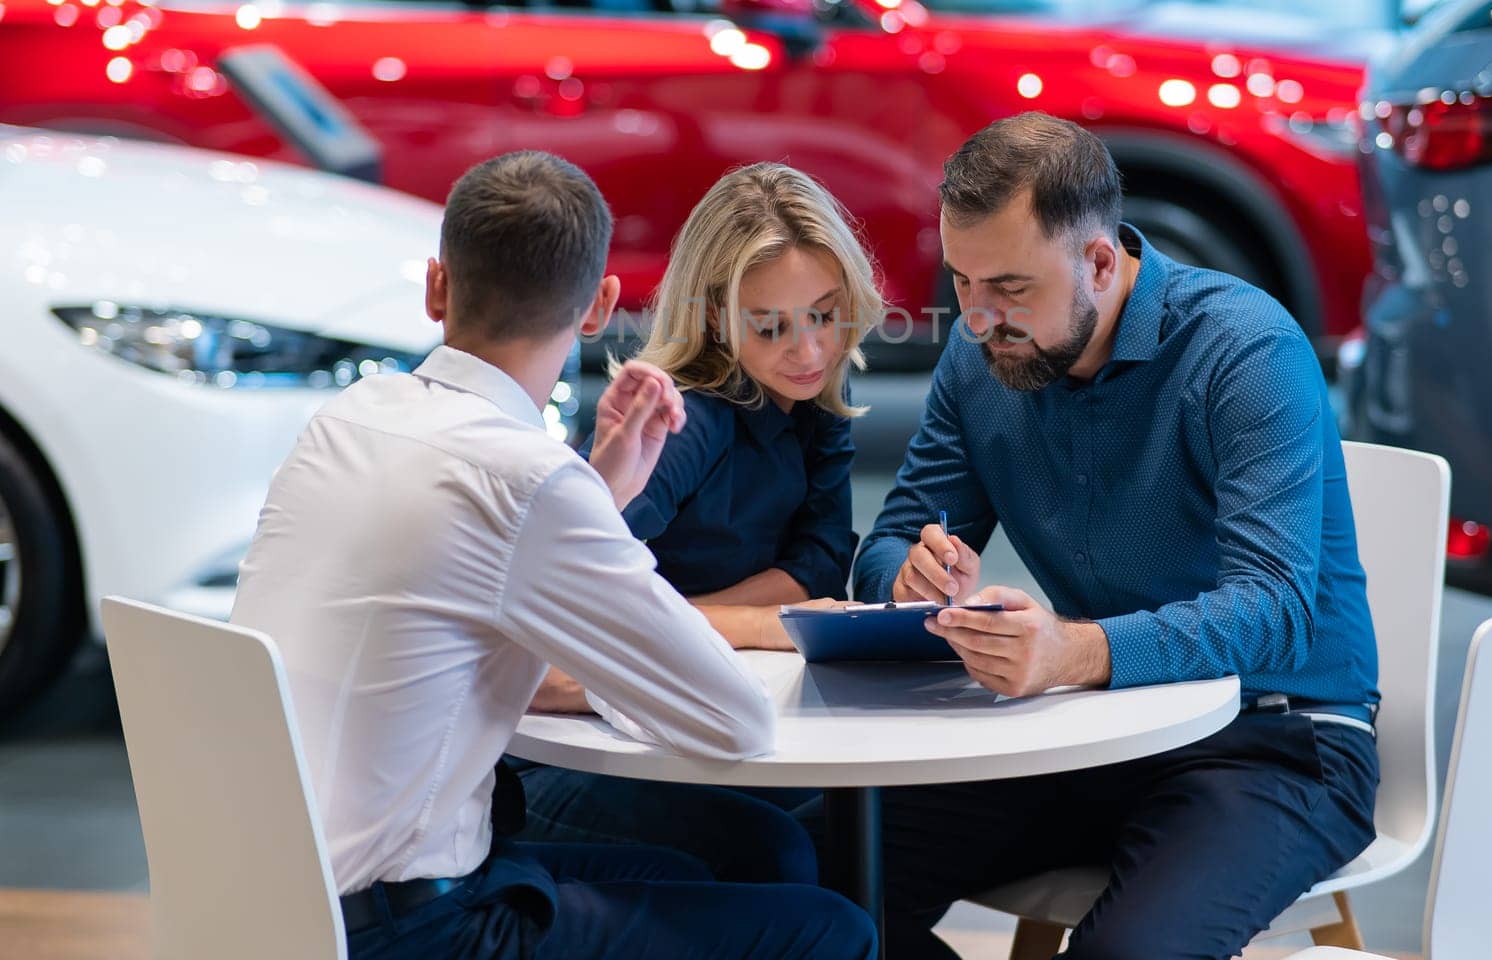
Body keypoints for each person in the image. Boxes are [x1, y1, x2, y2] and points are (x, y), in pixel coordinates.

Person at [230, 151, 876, 960]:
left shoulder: (348, 418)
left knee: (749, 859)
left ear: (437, 286)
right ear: (603, 304)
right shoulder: (530, 479)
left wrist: (597, 497)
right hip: (423, 927)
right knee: (836, 931)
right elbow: (734, 721)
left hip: (282, 896)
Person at [847, 113, 1381, 960]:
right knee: (820, 875)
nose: (979, 319)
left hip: (1278, 739)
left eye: (1011, 289)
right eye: (961, 281)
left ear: (1100, 261)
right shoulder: (977, 360)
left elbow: (1276, 612)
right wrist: (907, 580)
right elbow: (881, 551)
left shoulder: (1244, 350)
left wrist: (1073, 653)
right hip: (1093, 729)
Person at [516, 161, 886, 882]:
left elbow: (815, 570)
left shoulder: (814, 398)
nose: (809, 350)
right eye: (772, 326)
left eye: (825, 312)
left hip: (684, 718)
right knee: (785, 853)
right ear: (716, 315)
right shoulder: (682, 421)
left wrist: (681, 619)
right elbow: (560, 628)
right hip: (562, 749)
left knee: (877, 824)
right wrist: (758, 623)